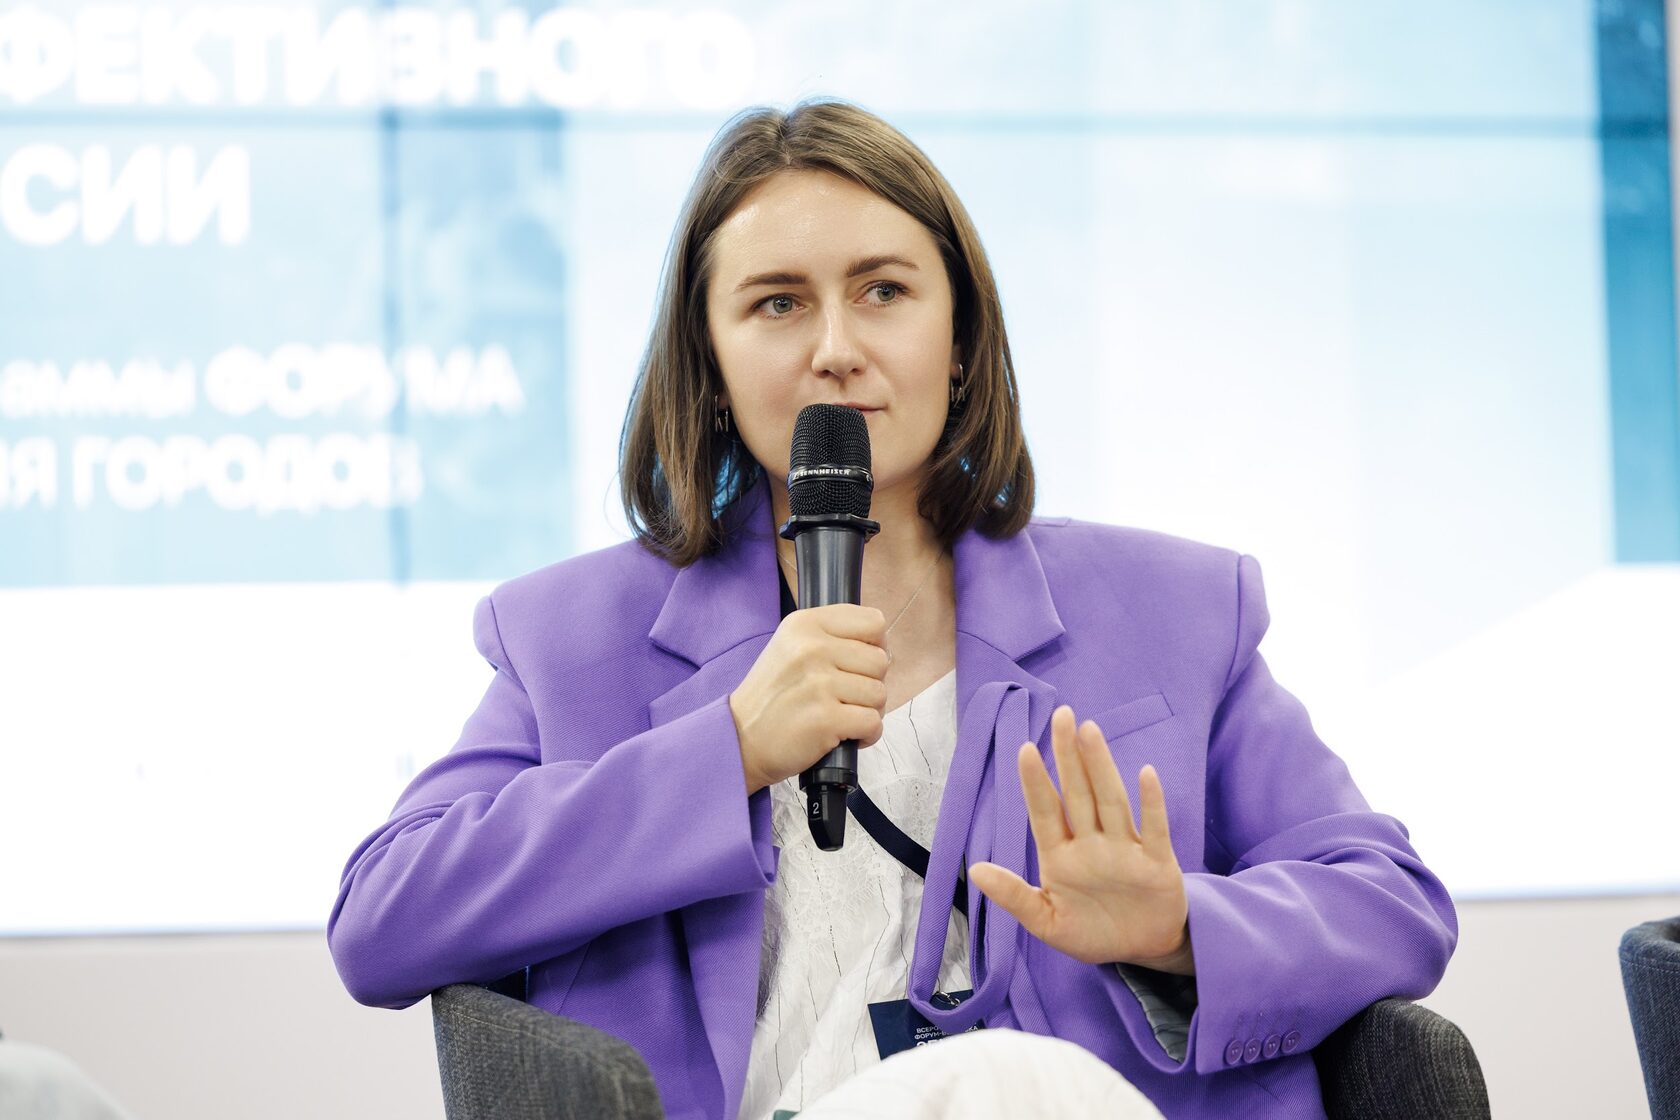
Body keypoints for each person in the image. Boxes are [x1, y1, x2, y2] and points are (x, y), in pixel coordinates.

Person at [327, 98, 1457, 1120]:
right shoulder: (572, 637)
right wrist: (725, 752)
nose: (837, 350)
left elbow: (1393, 905)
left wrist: (1178, 929)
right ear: (710, 365)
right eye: (777, 303)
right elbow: (383, 921)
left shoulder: (1178, 610)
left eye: (883, 292)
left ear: (958, 341)